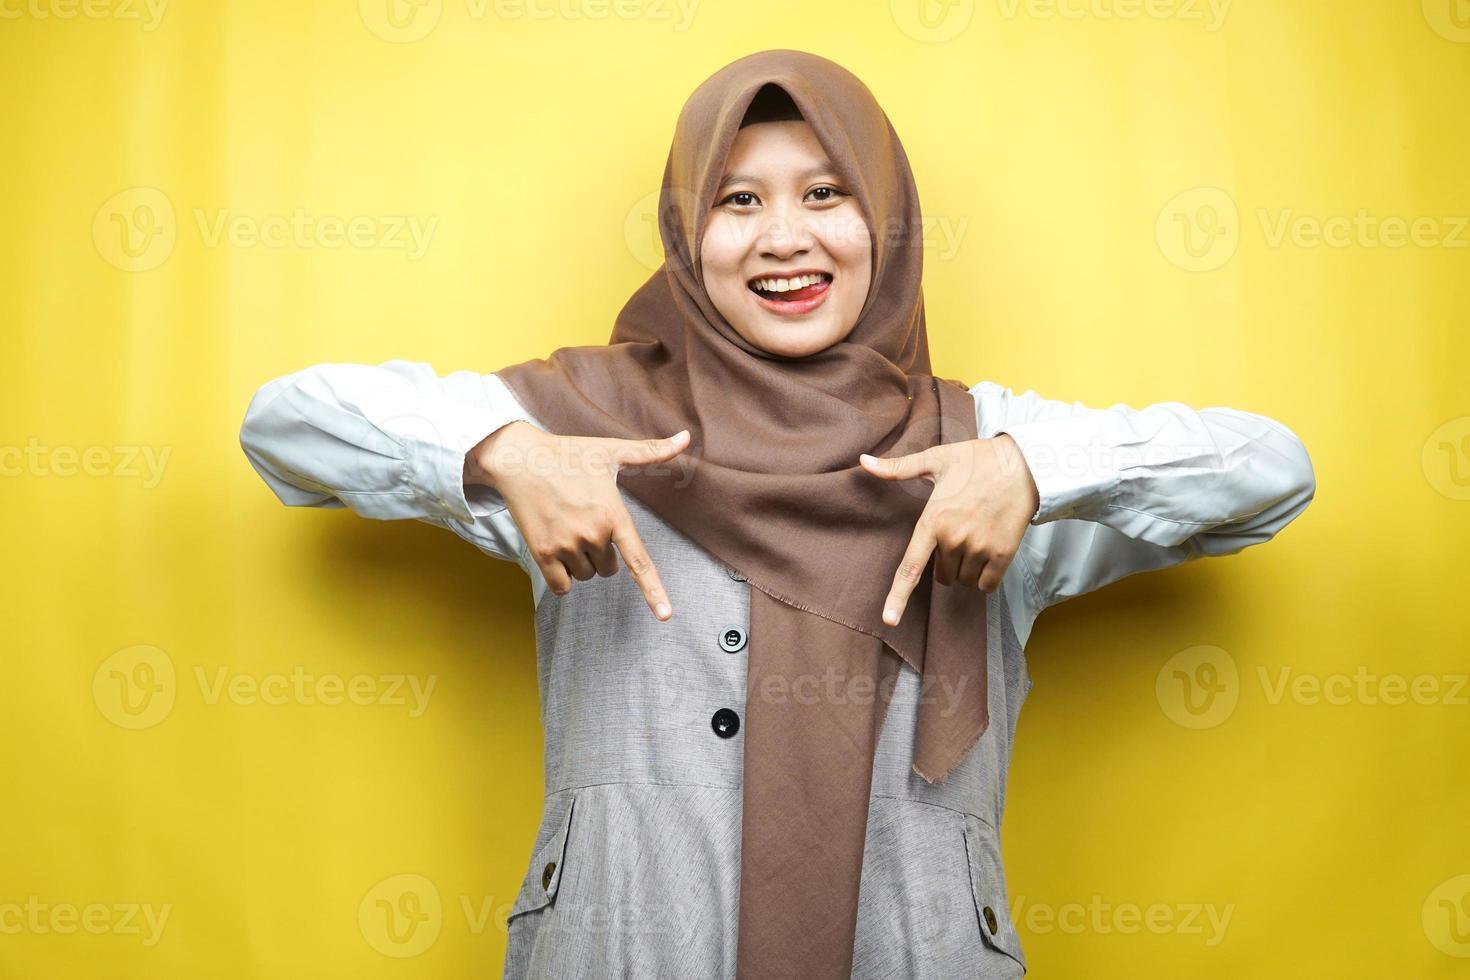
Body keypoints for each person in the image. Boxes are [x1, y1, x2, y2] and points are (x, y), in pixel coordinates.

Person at [239, 49, 1315, 980]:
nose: (781, 238)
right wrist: (498, 452)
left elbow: (1272, 470)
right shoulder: (581, 427)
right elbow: (283, 422)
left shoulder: (979, 444)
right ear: (685, 229)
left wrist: (1037, 463)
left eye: (826, 193)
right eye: (737, 200)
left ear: (884, 222)